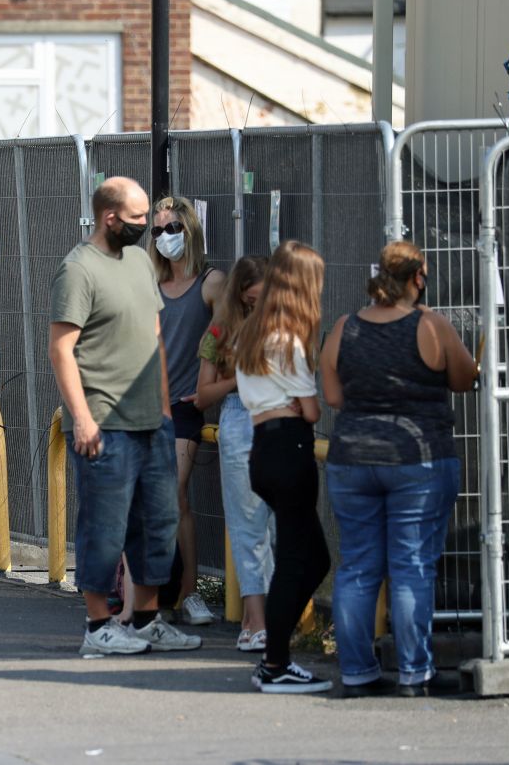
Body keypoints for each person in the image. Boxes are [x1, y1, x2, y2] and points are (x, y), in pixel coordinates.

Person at [49, 175, 202, 656]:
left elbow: (153, 337)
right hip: (104, 423)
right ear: (110, 218)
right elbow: (61, 349)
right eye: (139, 220)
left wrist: (162, 409)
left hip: (151, 421)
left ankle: (147, 618)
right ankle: (98, 627)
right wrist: (82, 418)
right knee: (105, 525)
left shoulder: (138, 261)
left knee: (157, 522)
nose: (146, 229)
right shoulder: (78, 269)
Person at [321, 241, 477, 698]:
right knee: (411, 566)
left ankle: (356, 674)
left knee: (356, 568)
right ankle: (415, 673)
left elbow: (332, 397)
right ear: (418, 278)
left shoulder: (345, 327)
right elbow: (465, 377)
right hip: (418, 459)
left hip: (352, 459)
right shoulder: (431, 325)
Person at [235, 240, 331, 693]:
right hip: (291, 451)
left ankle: (277, 653)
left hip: (262, 450)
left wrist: (297, 402)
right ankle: (275, 663)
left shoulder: (251, 333)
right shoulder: (290, 341)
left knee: (312, 559)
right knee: (298, 562)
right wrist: (300, 403)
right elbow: (311, 411)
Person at [149, 196, 224, 626]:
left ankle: (191, 592)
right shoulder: (150, 284)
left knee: (175, 495)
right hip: (148, 404)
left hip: (184, 406)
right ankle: (153, 594)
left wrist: (210, 387)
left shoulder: (212, 282)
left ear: (191, 230)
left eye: (172, 228)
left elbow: (233, 332)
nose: (164, 237)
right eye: (157, 231)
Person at [196, 256, 273, 652]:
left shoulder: (284, 327)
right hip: (241, 421)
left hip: (279, 422)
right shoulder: (221, 330)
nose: (257, 309)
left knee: (273, 526)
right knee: (248, 528)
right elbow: (202, 394)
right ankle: (257, 621)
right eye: (250, 301)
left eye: (265, 300)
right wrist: (236, 379)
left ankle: (259, 618)